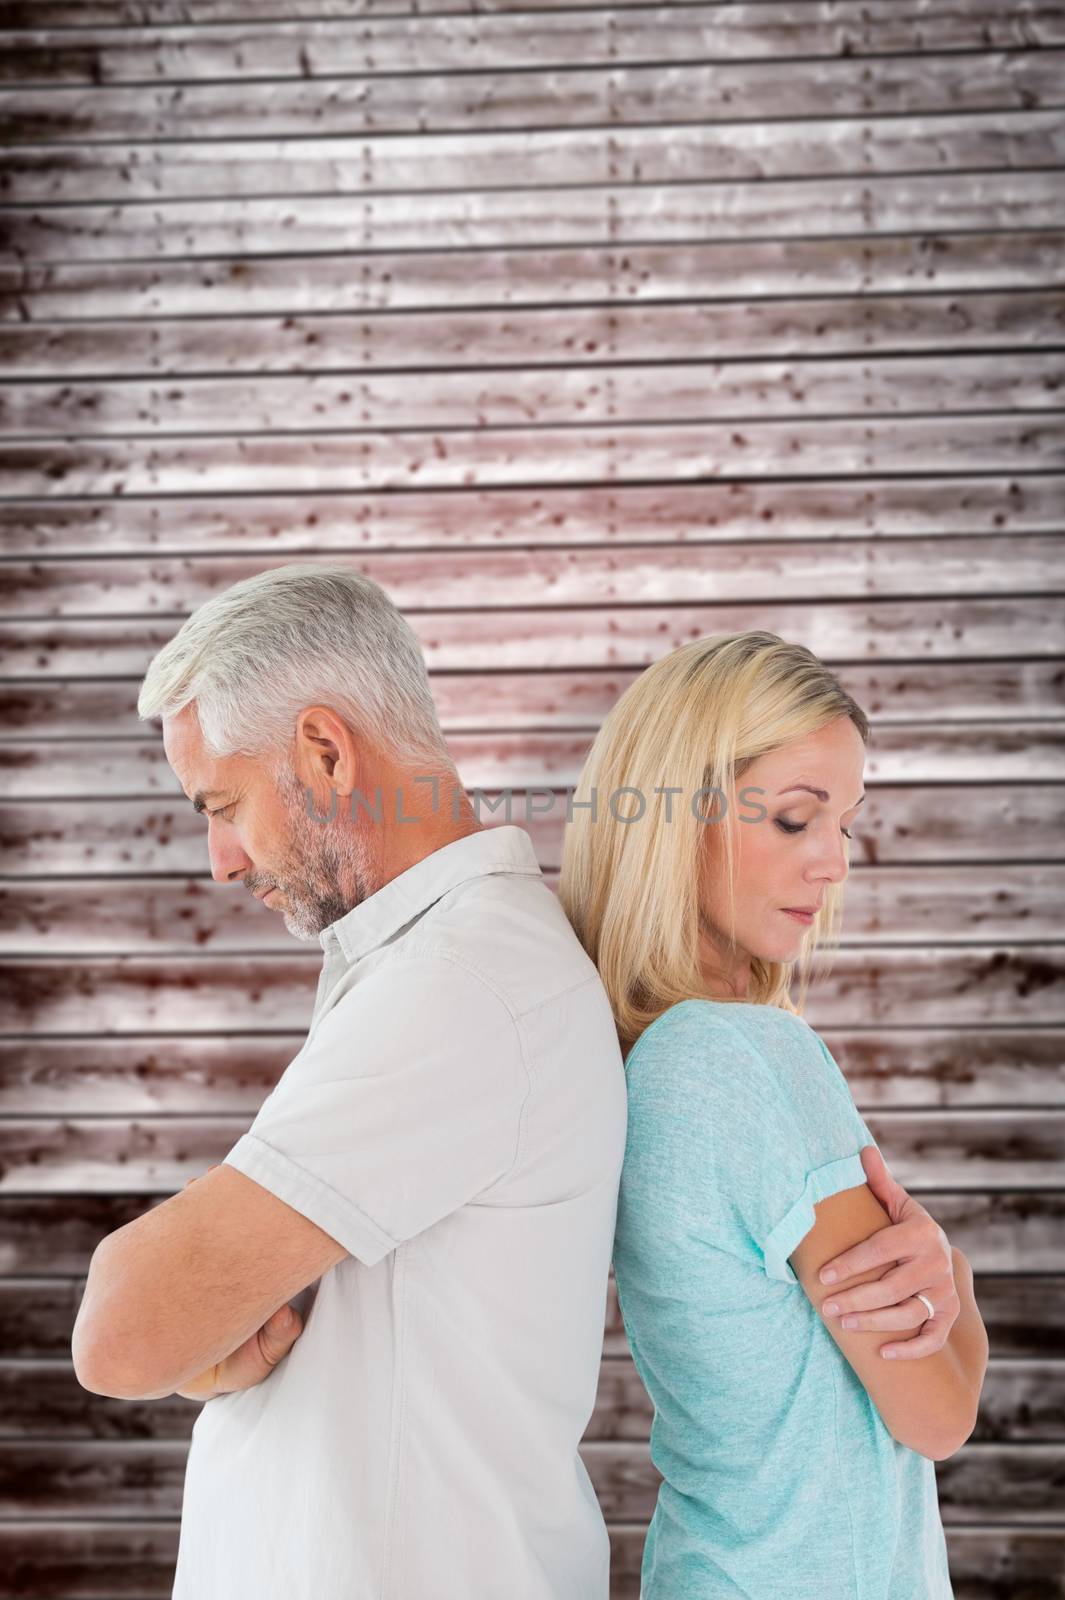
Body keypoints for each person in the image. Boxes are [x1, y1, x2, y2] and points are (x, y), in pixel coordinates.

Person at [70, 563, 629, 1599]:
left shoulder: (460, 987)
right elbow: (195, 1324)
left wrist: (185, 1338)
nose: (219, 861)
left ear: (325, 750)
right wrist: (204, 1344)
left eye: (224, 803)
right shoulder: (435, 966)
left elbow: (121, 1329)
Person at [557, 631, 989, 1600]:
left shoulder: (637, 1060)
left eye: (845, 822)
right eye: (796, 819)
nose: (833, 863)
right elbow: (938, 1413)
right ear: (678, 821)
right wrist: (954, 1274)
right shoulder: (747, 1053)